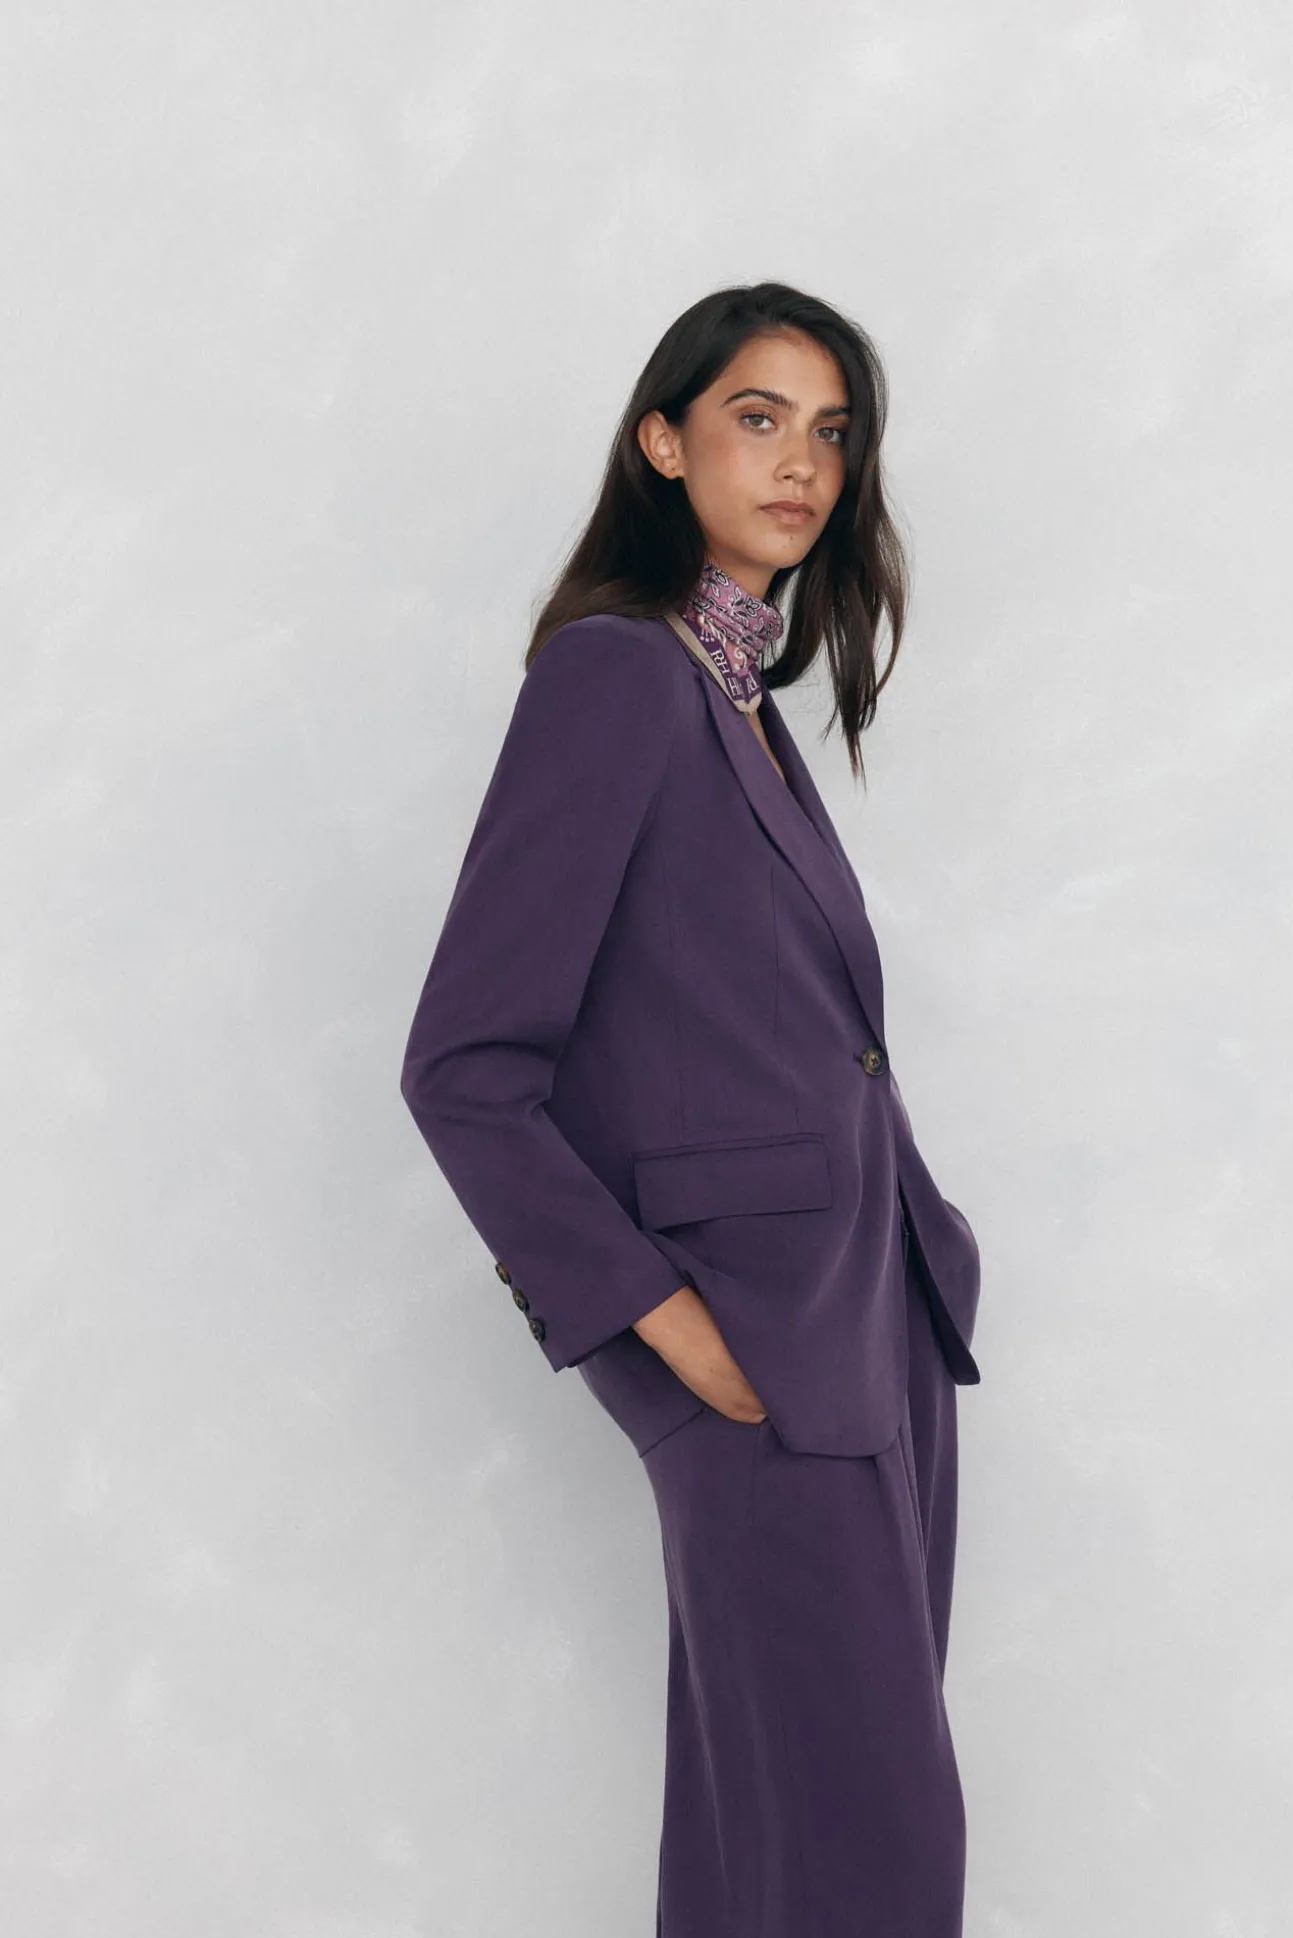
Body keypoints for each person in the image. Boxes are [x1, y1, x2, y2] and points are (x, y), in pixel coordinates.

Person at [399, 280, 984, 1938]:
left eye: (832, 431)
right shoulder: (617, 678)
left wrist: (928, 1244)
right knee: (871, 1852)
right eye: (757, 417)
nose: (803, 462)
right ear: (663, 442)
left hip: (873, 1331)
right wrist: (662, 1319)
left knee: (787, 1846)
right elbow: (464, 1066)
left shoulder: (739, 704)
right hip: (756, 1350)